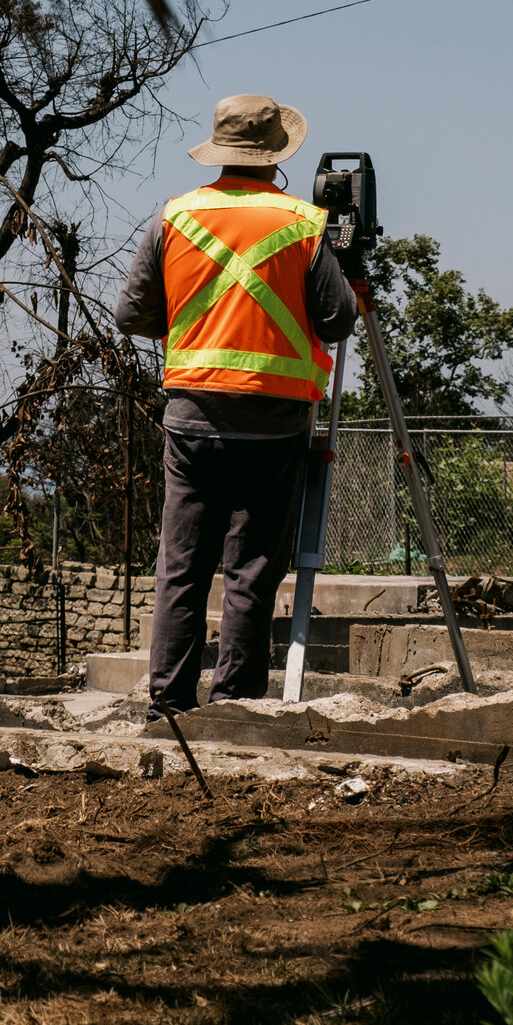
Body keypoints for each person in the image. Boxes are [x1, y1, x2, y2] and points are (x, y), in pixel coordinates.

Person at [113, 93, 358, 714]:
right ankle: (233, 706)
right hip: (274, 426)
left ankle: (167, 702)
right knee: (250, 571)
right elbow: (336, 321)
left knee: (182, 567)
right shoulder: (303, 224)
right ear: (275, 159)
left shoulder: (176, 216)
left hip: (190, 417)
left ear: (219, 153)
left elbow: (131, 314)